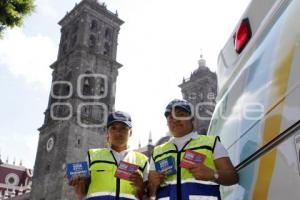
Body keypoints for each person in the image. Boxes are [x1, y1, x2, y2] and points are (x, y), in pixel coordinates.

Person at [148, 99, 238, 200]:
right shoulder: (157, 152)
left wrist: (213, 174)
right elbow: (151, 193)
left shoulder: (211, 143)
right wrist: (153, 185)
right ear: (167, 122)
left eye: (180, 115)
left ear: (191, 118)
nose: (175, 120)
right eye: (171, 117)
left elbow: (233, 177)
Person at [69, 111, 149, 200]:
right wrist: (78, 187)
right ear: (107, 132)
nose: (118, 133)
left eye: (123, 128)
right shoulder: (92, 156)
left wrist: (141, 186)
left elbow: (149, 196)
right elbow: (82, 193)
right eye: (113, 128)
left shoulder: (143, 161)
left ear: (131, 132)